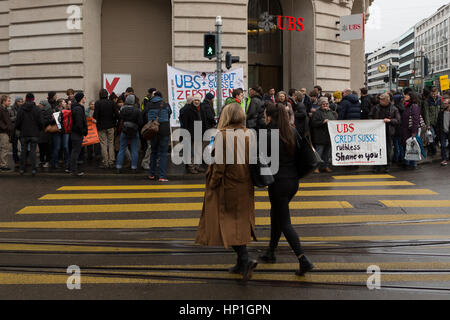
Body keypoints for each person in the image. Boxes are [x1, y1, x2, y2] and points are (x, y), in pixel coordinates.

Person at [195, 103, 258, 282]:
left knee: (226, 224)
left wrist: (213, 184)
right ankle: (240, 262)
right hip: (245, 186)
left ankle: (245, 260)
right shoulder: (248, 134)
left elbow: (220, 166)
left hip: (228, 186)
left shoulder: (223, 136)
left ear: (227, 116)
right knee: (239, 223)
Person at [259, 102, 314, 277]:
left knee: (284, 222)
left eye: (266, 115)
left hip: (278, 183)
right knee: (276, 214)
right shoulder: (292, 131)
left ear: (270, 116)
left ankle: (303, 259)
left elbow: (260, 159)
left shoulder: (268, 135)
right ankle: (270, 252)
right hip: (293, 181)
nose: (264, 118)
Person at [368, 93, 401, 173]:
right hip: (377, 132)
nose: (380, 101)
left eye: (382, 100)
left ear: (387, 101)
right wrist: (374, 122)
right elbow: (370, 116)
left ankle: (387, 165)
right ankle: (377, 166)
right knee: (376, 149)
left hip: (388, 132)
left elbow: (398, 120)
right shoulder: (376, 107)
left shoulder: (394, 109)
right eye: (380, 99)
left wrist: (390, 120)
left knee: (388, 149)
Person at [15, 93, 43, 175]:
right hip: (34, 133)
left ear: (25, 98)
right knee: (33, 151)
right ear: (33, 99)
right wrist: (39, 129)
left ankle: (22, 169)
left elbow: (17, 122)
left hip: (24, 133)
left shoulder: (21, 108)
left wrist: (20, 128)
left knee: (23, 151)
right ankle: (33, 169)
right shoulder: (37, 109)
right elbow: (41, 122)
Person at [147, 91, 172, 182]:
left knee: (153, 152)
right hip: (163, 129)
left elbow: (144, 114)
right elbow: (170, 113)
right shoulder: (165, 104)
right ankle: (162, 176)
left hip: (152, 130)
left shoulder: (149, 104)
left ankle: (151, 174)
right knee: (163, 153)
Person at [116, 94, 142, 174]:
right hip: (134, 131)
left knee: (122, 149)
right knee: (134, 150)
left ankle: (118, 167)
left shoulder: (123, 110)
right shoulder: (137, 110)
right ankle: (134, 167)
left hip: (125, 131)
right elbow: (140, 122)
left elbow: (120, 119)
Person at [311, 97, 337, 173]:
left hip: (329, 136)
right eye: (323, 104)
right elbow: (313, 123)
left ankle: (325, 166)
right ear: (320, 105)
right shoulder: (317, 113)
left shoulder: (331, 112)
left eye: (327, 104)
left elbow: (335, 121)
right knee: (319, 153)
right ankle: (316, 167)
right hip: (320, 136)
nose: (325, 105)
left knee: (327, 153)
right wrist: (323, 122)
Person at [94, 89, 119, 169]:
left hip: (101, 126)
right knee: (111, 143)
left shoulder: (98, 103)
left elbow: (95, 116)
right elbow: (117, 114)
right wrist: (114, 121)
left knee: (103, 144)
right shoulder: (111, 102)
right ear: (107, 95)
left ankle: (105, 162)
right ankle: (111, 161)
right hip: (111, 126)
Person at [180, 94, 204, 174]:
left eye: (198, 100)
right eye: (195, 100)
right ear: (193, 101)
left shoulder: (200, 109)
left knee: (197, 151)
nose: (197, 102)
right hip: (190, 133)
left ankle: (197, 166)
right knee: (191, 152)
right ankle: (191, 167)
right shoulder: (188, 110)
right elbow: (185, 123)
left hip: (198, 132)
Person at [70, 92, 88, 176]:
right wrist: (83, 131)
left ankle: (72, 169)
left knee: (75, 151)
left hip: (75, 133)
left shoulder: (77, 108)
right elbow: (79, 123)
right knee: (75, 152)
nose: (85, 98)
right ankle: (73, 170)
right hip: (77, 134)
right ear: (81, 99)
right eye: (84, 97)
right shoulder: (78, 109)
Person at [402, 91, 421, 170]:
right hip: (405, 129)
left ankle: (413, 164)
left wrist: (414, 132)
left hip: (410, 131)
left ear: (411, 97)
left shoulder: (414, 106)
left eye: (407, 95)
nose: (405, 96)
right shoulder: (406, 105)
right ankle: (407, 162)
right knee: (407, 146)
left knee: (412, 146)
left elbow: (415, 120)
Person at [51, 99, 71, 172]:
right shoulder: (55, 110)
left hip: (66, 131)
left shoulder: (68, 109)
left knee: (65, 146)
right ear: (60, 103)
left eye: (65, 102)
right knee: (57, 147)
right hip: (57, 131)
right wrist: (53, 118)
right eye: (63, 102)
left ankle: (67, 163)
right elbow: (53, 121)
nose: (65, 103)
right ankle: (55, 163)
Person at [423, 87, 443, 156]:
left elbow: (442, 110)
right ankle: (433, 150)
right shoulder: (427, 101)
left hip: (438, 122)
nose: (434, 95)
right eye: (432, 94)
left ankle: (431, 148)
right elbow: (426, 113)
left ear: (437, 93)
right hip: (431, 122)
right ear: (430, 93)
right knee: (432, 136)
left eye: (435, 94)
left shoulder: (440, 100)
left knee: (438, 136)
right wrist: (428, 124)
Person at [38, 100, 53, 168]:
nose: (39, 105)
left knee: (47, 147)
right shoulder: (39, 111)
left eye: (40, 104)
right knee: (41, 146)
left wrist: (42, 121)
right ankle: (41, 160)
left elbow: (50, 120)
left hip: (47, 131)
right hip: (40, 131)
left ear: (44, 105)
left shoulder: (49, 111)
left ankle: (47, 161)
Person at [8, 97, 23, 168]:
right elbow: (8, 119)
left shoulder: (23, 108)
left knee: (24, 146)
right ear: (16, 102)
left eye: (21, 101)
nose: (21, 103)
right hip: (14, 130)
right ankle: (16, 161)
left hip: (21, 130)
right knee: (14, 147)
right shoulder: (11, 108)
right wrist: (17, 117)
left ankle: (23, 160)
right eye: (19, 101)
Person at [436, 97, 450, 166]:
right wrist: (438, 132)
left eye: (445, 103)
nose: (444, 104)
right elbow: (438, 123)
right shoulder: (441, 112)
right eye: (443, 103)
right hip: (443, 131)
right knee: (443, 146)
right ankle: (444, 159)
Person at [0, 95, 13, 171]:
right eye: (8, 101)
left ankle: (3, 164)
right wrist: (5, 127)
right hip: (3, 132)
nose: (9, 102)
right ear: (4, 101)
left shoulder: (4, 109)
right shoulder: (1, 109)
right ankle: (3, 165)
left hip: (5, 132)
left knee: (3, 148)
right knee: (4, 148)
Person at [392, 93, 405, 164]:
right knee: (401, 144)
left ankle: (396, 158)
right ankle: (402, 157)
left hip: (396, 128)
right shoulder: (403, 107)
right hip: (402, 128)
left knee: (396, 144)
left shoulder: (394, 108)